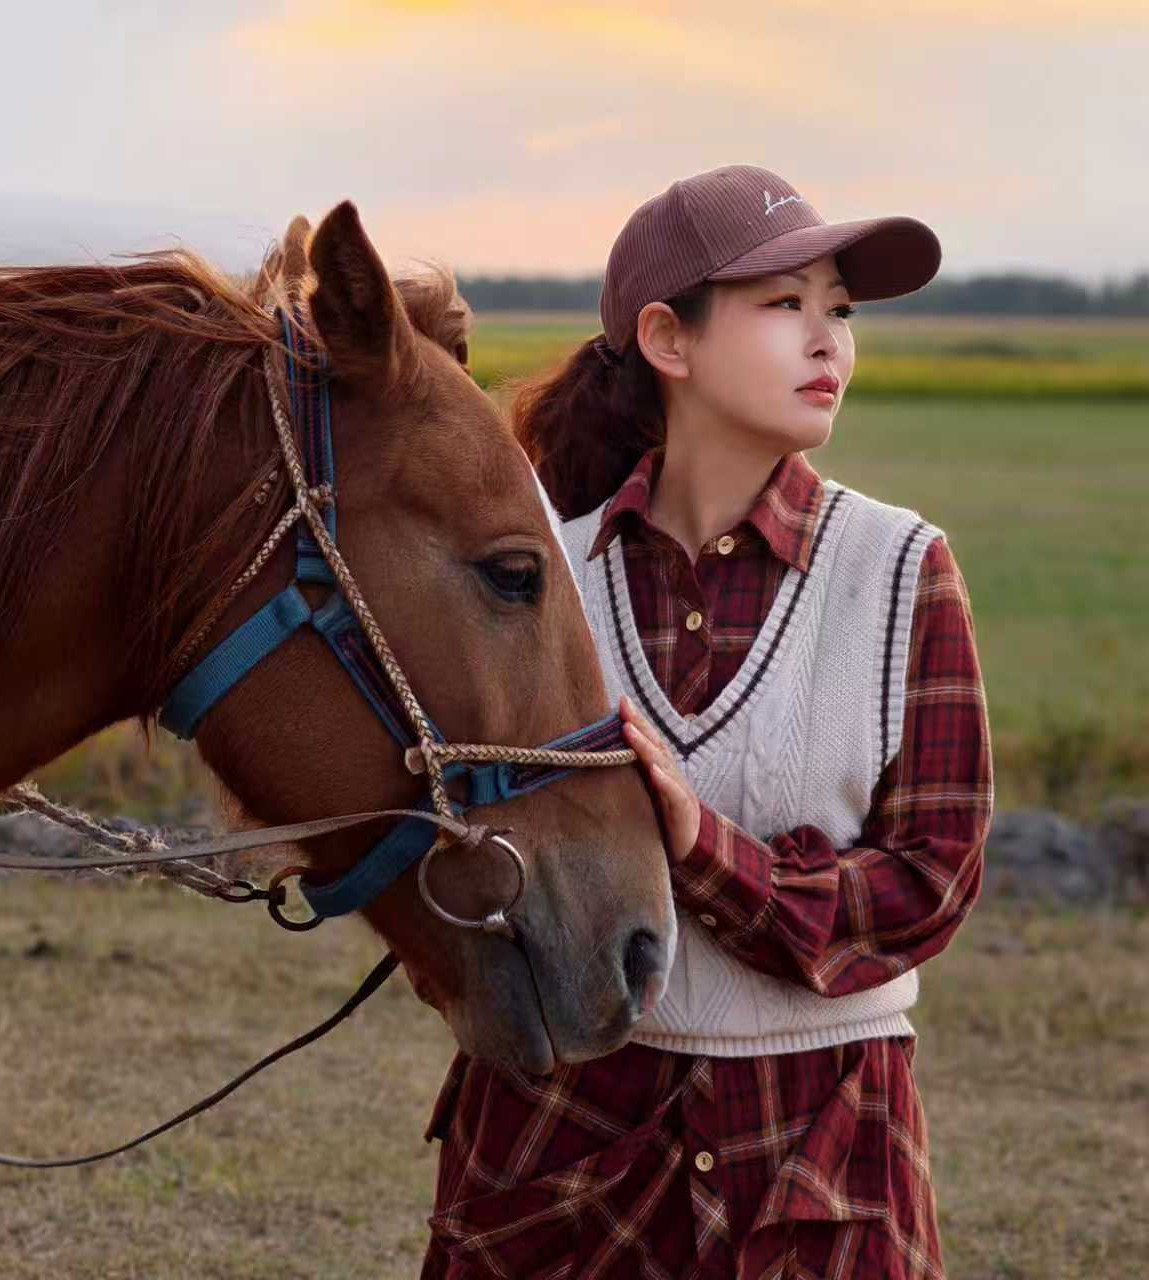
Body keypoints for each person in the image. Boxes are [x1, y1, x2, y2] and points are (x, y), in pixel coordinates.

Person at [419, 164, 993, 1279]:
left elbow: (928, 882)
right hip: (557, 1145)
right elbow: (457, 863)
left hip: (818, 1147)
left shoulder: (899, 571)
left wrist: (701, 848)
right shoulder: (539, 579)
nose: (827, 339)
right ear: (665, 340)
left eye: (839, 309)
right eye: (783, 305)